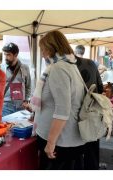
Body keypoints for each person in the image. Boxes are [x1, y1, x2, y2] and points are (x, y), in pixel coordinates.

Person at [32, 30, 85, 170]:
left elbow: (62, 110)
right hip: (67, 140)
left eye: (43, 50)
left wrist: (50, 143)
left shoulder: (58, 68)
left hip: (61, 142)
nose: (43, 54)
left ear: (50, 48)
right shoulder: (70, 65)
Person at [75, 45, 104, 170]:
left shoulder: (67, 66)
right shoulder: (92, 63)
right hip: (92, 114)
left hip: (75, 117)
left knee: (76, 156)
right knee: (92, 153)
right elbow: (101, 88)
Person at [2, 42, 31, 116]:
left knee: (19, 126)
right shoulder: (1, 68)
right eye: (5, 54)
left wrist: (26, 100)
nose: (5, 57)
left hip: (21, 106)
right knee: (7, 127)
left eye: (8, 55)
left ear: (15, 55)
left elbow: (28, 86)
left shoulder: (25, 68)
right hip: (6, 106)